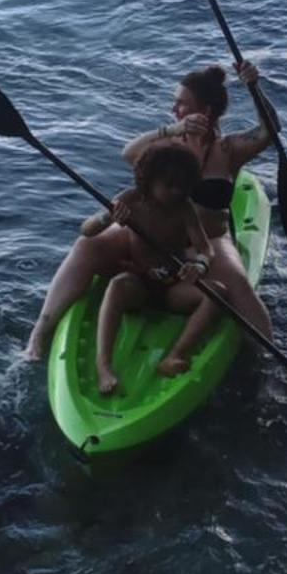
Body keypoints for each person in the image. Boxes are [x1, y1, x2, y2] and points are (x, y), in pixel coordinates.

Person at [22, 57, 274, 363]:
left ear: (205, 111)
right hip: (155, 232)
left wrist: (254, 87)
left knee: (240, 291)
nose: (174, 109)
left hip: (207, 241)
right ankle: (39, 334)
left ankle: (267, 365)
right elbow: (129, 153)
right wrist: (172, 128)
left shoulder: (228, 150)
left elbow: (269, 131)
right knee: (87, 245)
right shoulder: (168, 146)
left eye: (181, 104)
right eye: (174, 104)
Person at [81, 142, 216, 392]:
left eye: (183, 186)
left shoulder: (184, 208)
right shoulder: (129, 199)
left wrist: (200, 265)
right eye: (169, 185)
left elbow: (206, 249)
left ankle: (174, 355)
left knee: (217, 292)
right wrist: (108, 217)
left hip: (173, 285)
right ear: (148, 179)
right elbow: (87, 230)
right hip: (140, 283)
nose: (176, 192)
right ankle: (103, 368)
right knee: (118, 284)